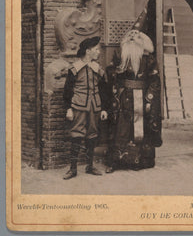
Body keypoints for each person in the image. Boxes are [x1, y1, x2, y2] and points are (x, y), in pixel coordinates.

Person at [105, 29, 162, 172]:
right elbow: (110, 72)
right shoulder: (120, 55)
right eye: (129, 35)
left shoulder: (148, 58)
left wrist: (149, 97)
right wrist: (117, 73)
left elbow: (155, 80)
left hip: (141, 97)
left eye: (136, 36)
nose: (132, 37)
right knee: (120, 127)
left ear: (142, 41)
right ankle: (116, 162)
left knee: (139, 127)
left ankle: (137, 161)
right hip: (123, 97)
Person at [63, 36, 109, 179]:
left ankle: (90, 166)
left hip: (95, 107)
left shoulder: (98, 69)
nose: (98, 52)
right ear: (88, 51)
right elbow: (67, 90)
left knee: (92, 136)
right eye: (96, 49)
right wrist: (68, 108)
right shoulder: (74, 69)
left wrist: (104, 109)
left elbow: (103, 90)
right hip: (78, 107)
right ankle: (73, 169)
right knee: (77, 135)